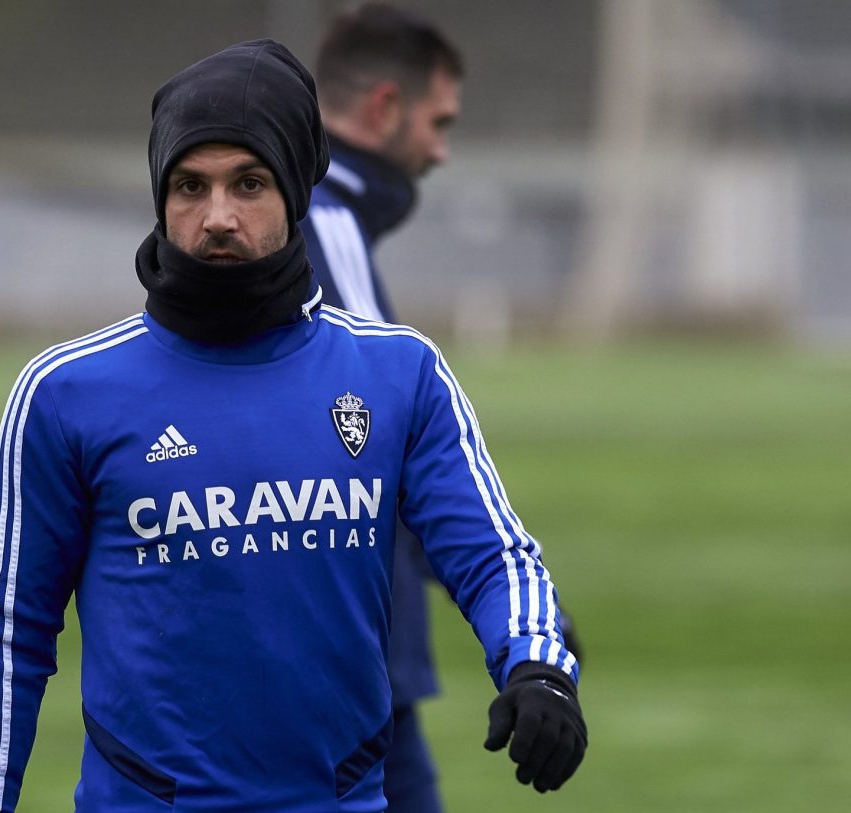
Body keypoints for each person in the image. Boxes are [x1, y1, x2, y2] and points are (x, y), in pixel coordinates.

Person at [0, 38, 585, 813]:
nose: (217, 217)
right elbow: (9, 632)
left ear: (294, 192)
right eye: (189, 185)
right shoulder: (66, 392)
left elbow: (492, 554)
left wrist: (538, 666)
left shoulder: (397, 373)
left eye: (248, 183)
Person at [303, 7, 583, 811]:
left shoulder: (316, 218)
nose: (440, 150)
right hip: (351, 659)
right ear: (385, 108)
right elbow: (390, 445)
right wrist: (526, 623)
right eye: (438, 123)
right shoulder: (326, 221)